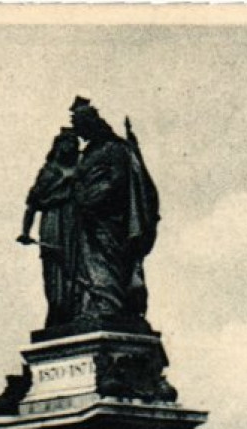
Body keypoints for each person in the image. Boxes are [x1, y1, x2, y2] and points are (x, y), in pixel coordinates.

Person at [67, 98, 160, 325]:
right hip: (87, 219)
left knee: (110, 261)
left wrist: (93, 199)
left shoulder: (114, 148)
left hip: (109, 218)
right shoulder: (88, 153)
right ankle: (94, 306)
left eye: (81, 127)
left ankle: (109, 306)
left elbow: (118, 180)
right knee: (90, 266)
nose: (80, 135)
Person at [18, 127, 82, 328]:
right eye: (66, 141)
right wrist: (25, 232)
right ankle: (56, 309)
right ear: (58, 145)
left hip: (76, 222)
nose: (71, 146)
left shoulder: (83, 167)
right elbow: (32, 204)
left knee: (77, 265)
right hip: (53, 221)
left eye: (74, 142)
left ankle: (77, 310)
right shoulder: (49, 171)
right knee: (54, 266)